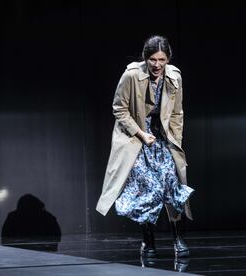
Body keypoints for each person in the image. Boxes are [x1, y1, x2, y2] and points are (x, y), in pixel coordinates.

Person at [96, 35, 194, 258]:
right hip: (136, 138)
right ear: (145, 58)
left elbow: (177, 112)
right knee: (146, 188)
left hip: (163, 137)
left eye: (162, 59)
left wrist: (174, 140)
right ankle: (148, 241)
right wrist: (141, 134)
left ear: (168, 58)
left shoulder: (174, 76)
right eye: (152, 59)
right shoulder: (131, 75)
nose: (157, 64)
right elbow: (119, 108)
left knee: (171, 184)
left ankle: (178, 238)